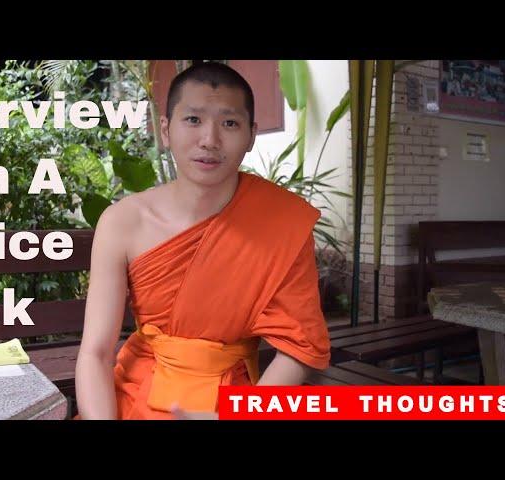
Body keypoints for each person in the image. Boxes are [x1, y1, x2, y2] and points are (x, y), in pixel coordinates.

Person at [75, 62, 330, 420]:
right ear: (166, 129)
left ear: (251, 134)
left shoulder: (280, 221)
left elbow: (299, 347)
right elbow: (95, 353)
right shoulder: (122, 222)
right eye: (193, 120)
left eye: (229, 123)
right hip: (136, 394)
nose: (209, 140)